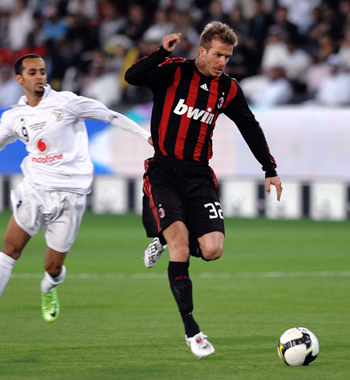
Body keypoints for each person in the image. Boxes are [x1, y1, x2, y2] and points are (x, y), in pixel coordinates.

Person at [124, 21, 282, 360]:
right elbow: (133, 78)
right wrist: (161, 52)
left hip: (199, 177)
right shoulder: (173, 71)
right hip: (164, 171)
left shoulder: (227, 89)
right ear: (202, 50)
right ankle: (193, 331)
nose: (223, 62)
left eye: (228, 56)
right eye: (218, 55)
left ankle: (165, 236)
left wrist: (270, 168)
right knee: (182, 244)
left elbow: (249, 126)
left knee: (212, 249)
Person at [0, 54, 152, 323]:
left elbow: (110, 115)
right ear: (19, 79)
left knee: (53, 266)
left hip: (71, 195)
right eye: (33, 72)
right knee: (10, 249)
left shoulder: (66, 102)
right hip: (35, 189)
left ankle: (49, 287)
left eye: (43, 71)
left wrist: (146, 135)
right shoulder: (15, 117)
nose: (39, 77)